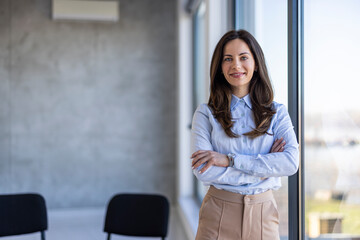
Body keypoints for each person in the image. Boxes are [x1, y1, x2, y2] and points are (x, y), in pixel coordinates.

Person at [191, 29, 299, 240]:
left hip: (263, 214)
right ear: (220, 67)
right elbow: (204, 171)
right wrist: (266, 169)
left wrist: (228, 160)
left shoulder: (277, 113)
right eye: (228, 59)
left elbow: (290, 163)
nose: (236, 66)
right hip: (217, 213)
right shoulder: (206, 113)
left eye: (243, 58)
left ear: (256, 64)